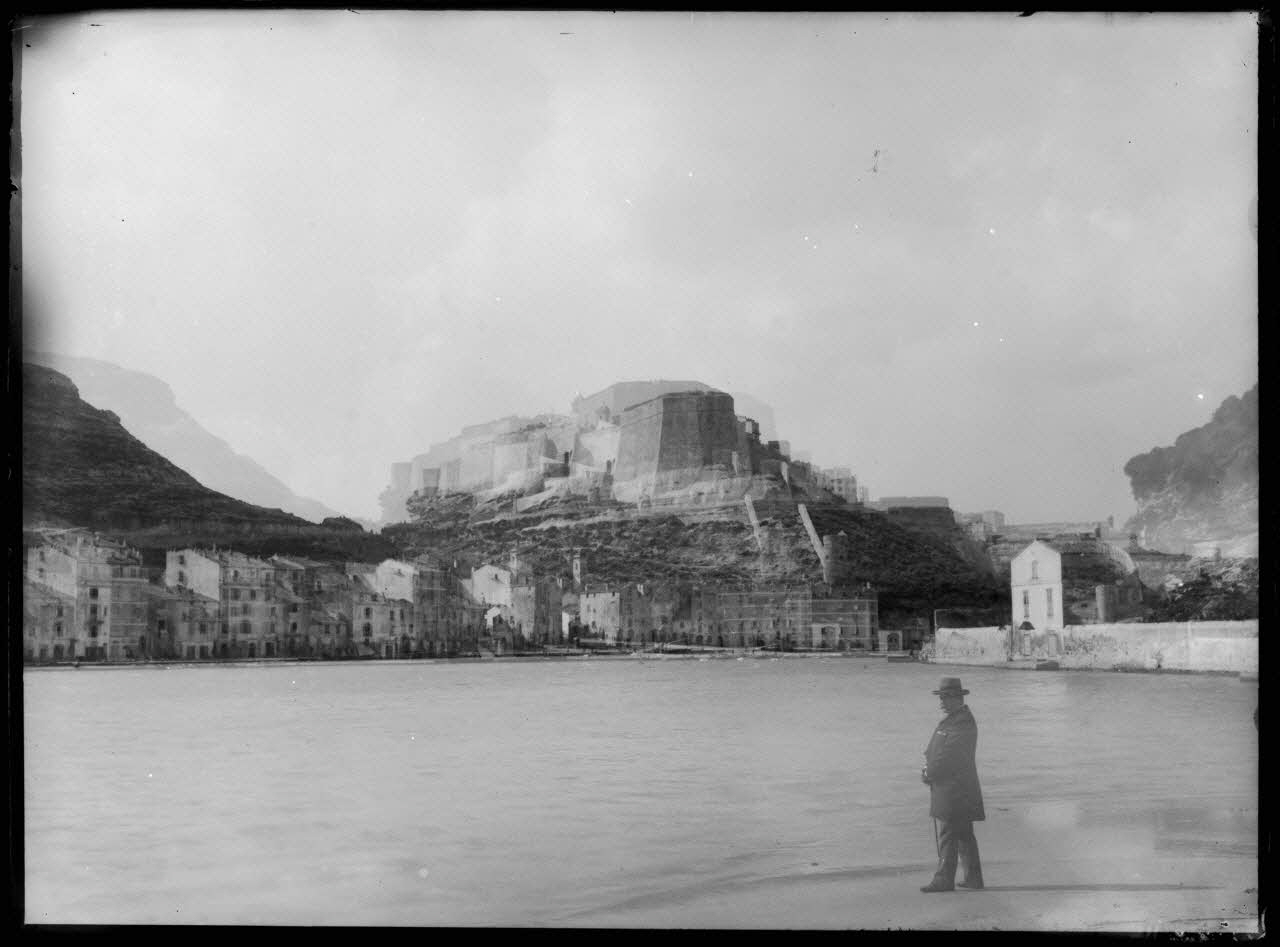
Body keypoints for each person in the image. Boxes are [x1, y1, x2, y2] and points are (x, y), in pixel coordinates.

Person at [920, 676, 985, 892]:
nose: (941, 702)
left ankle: (943, 880)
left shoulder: (962, 721)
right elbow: (939, 750)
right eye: (940, 697)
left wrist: (930, 772)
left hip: (955, 788)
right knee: (964, 833)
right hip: (955, 786)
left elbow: (950, 755)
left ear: (957, 698)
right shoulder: (955, 719)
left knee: (949, 832)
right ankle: (973, 879)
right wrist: (928, 765)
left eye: (945, 697)